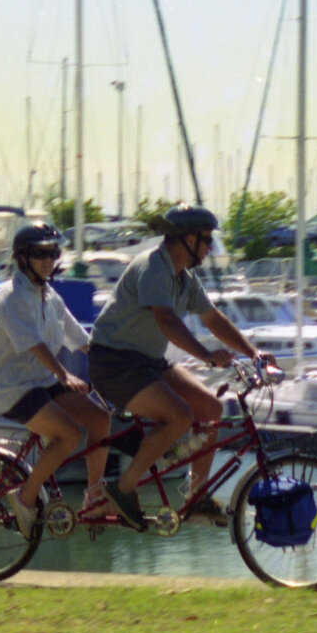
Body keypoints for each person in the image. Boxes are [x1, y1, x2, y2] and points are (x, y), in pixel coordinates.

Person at [87, 204, 273, 530]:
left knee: (210, 408)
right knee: (179, 416)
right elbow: (167, 320)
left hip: (146, 362)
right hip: (113, 362)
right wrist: (206, 355)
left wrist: (253, 352)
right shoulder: (153, 267)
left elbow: (213, 319)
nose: (211, 247)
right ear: (188, 239)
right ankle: (123, 487)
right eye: (207, 239)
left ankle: (196, 497)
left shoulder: (185, 278)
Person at [0, 222, 112, 540]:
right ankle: (25, 497)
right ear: (23, 258)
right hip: (12, 388)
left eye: (53, 252)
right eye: (40, 253)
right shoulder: (10, 298)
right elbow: (35, 344)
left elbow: (79, 337)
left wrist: (114, 363)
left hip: (41, 381)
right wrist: (65, 375)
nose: (49, 259)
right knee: (68, 435)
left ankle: (94, 496)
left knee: (100, 418)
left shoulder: (49, 296)